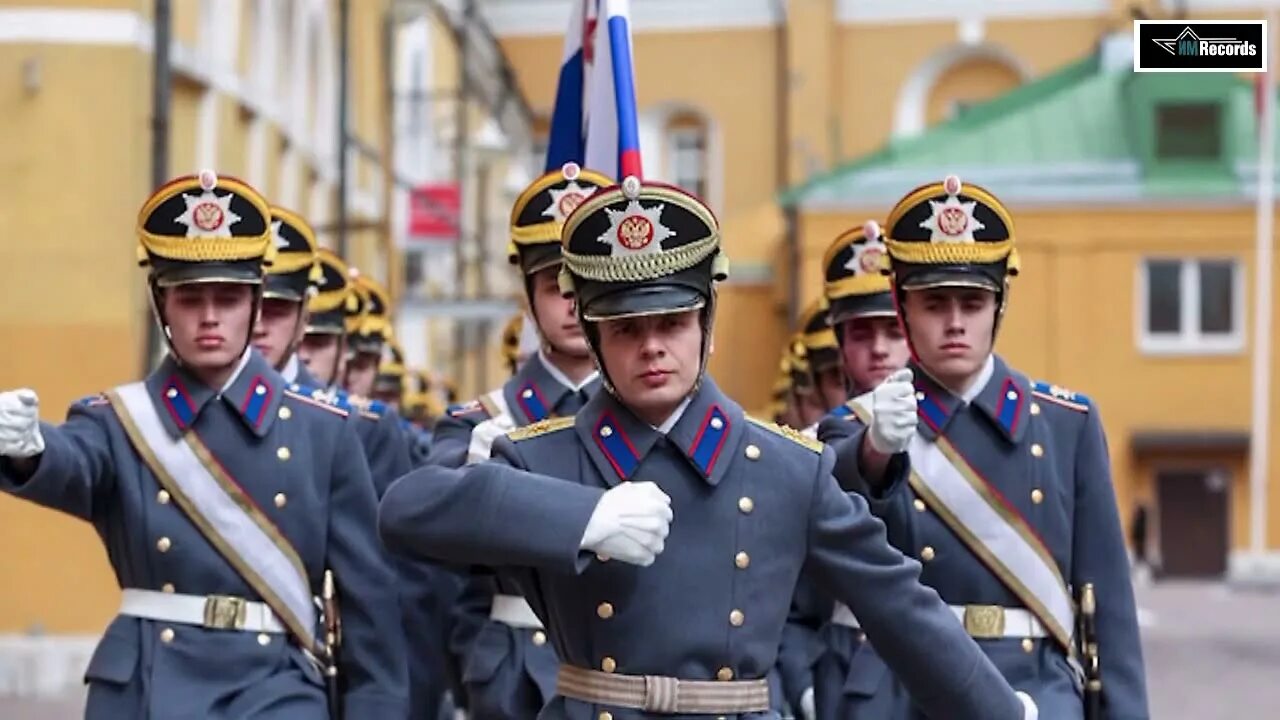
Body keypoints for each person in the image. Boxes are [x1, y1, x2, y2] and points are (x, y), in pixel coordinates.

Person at [379, 175, 1038, 720]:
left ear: (707, 325)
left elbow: (902, 610)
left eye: (671, 321)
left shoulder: (786, 468)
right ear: (596, 338)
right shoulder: (546, 457)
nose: (653, 347)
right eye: (627, 327)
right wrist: (581, 518)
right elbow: (407, 511)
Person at [0, 171, 407, 718]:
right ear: (160, 304)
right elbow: (74, 462)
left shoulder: (324, 431)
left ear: (257, 303)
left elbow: (370, 604)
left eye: (229, 297)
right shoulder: (121, 421)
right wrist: (27, 446)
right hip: (148, 683)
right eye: (190, 298)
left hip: (276, 687)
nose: (210, 316)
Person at [818, 175, 1149, 718]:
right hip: (901, 691)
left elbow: (1108, 605)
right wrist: (876, 450)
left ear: (999, 305)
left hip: (1034, 688)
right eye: (934, 304)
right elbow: (833, 515)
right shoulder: (855, 427)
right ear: (903, 309)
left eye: (972, 302)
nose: (954, 323)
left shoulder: (1067, 425)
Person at [443, 162, 610, 720]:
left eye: (582, 283)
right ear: (528, 295)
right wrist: (476, 664)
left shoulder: (660, 417)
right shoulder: (481, 424)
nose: (570, 303)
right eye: (553, 285)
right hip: (513, 677)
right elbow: (437, 581)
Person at [779, 219, 914, 719]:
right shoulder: (810, 447)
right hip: (848, 672)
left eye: (893, 331)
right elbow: (785, 595)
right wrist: (801, 679)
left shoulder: (962, 439)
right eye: (861, 332)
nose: (879, 348)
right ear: (839, 341)